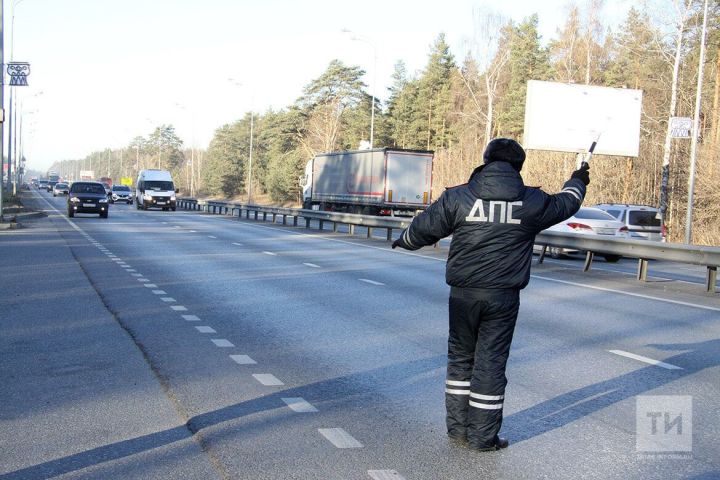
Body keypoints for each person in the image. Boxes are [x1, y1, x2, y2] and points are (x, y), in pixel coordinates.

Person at [392, 138, 590, 451]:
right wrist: (578, 179)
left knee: (460, 361)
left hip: (463, 295)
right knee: (491, 364)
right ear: (519, 166)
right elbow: (567, 202)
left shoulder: (459, 196)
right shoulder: (532, 201)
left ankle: (458, 430)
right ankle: (483, 438)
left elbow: (424, 229)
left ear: (485, 161)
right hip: (503, 298)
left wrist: (403, 240)